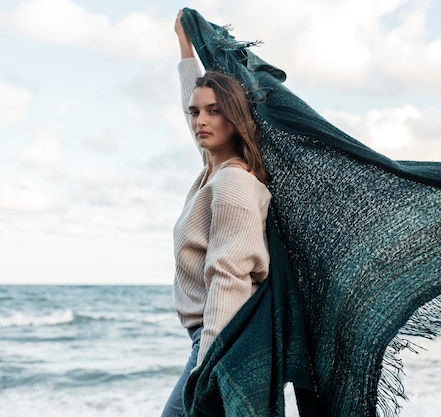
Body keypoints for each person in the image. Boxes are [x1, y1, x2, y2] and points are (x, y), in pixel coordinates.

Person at [160, 10, 272, 417]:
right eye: (195, 113)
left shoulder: (232, 184)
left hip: (220, 341)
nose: (201, 122)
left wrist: (206, 368)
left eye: (214, 111)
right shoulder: (212, 170)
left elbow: (229, 276)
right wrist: (185, 47)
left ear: (234, 117)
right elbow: (192, 100)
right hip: (211, 339)